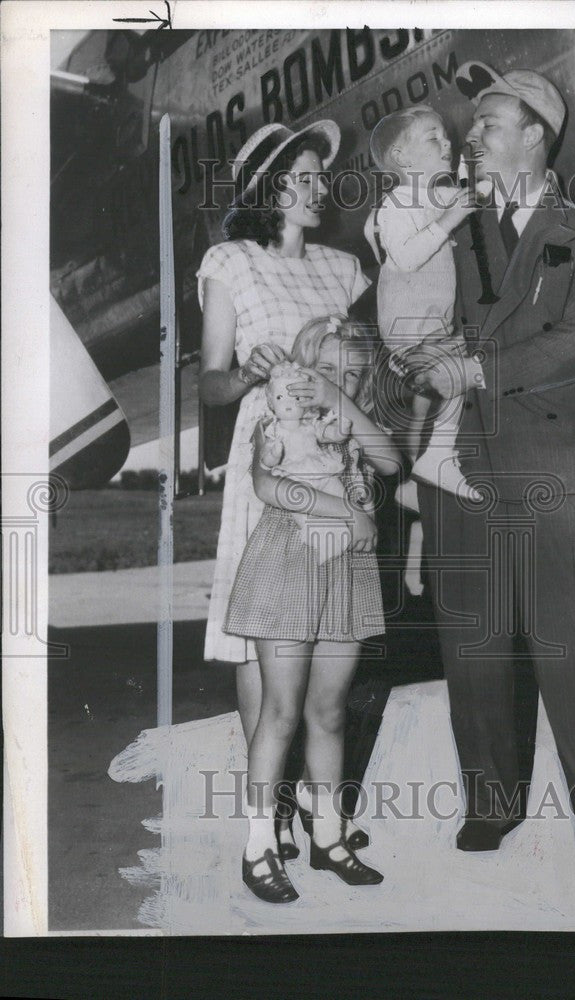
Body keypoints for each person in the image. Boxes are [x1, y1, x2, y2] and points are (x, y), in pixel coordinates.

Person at [402, 62, 575, 891]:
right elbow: (405, 322)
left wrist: (474, 369)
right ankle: (490, 802)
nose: (471, 136)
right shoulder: (442, 229)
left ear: (535, 135)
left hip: (549, 459)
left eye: (488, 123)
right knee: (473, 638)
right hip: (452, 462)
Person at [198, 121, 371, 862]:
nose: (317, 189)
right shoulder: (231, 262)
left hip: (338, 467)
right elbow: (209, 384)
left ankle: (315, 805)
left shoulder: (344, 269)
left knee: (327, 628)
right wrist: (246, 373)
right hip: (265, 462)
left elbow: (365, 371)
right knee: (263, 625)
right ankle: (263, 816)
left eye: (319, 177)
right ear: (267, 189)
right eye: (301, 178)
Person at [225, 315, 402, 902]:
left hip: (344, 571)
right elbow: (267, 486)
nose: (337, 384)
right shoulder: (275, 418)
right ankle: (259, 848)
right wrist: (344, 510)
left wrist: (340, 403)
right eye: (326, 371)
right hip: (288, 563)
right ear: (299, 368)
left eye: (352, 376)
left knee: (329, 711)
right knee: (280, 711)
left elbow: (392, 461)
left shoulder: (344, 423)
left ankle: (328, 838)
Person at [363, 105, 483, 503]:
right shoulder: (395, 205)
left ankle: (430, 462)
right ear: (401, 157)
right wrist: (448, 220)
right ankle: (434, 460)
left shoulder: (438, 195)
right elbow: (407, 256)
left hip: (433, 326)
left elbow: (475, 196)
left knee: (459, 380)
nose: (446, 142)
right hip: (409, 328)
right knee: (463, 375)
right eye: (434, 137)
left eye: (447, 136)